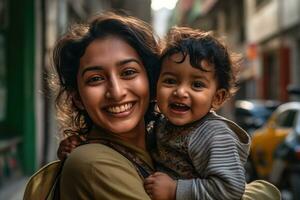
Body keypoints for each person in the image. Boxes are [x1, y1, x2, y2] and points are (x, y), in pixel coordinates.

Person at [55, 12, 280, 200]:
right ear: (76, 97)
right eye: (95, 78)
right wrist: (262, 193)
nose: (116, 91)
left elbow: (230, 188)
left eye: (129, 72)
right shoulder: (92, 163)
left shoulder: (183, 135)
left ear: (150, 82)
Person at [144, 27, 249, 200]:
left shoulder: (214, 134)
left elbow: (230, 190)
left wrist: (174, 190)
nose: (181, 92)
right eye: (170, 81)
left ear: (217, 97)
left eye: (197, 85)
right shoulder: (161, 123)